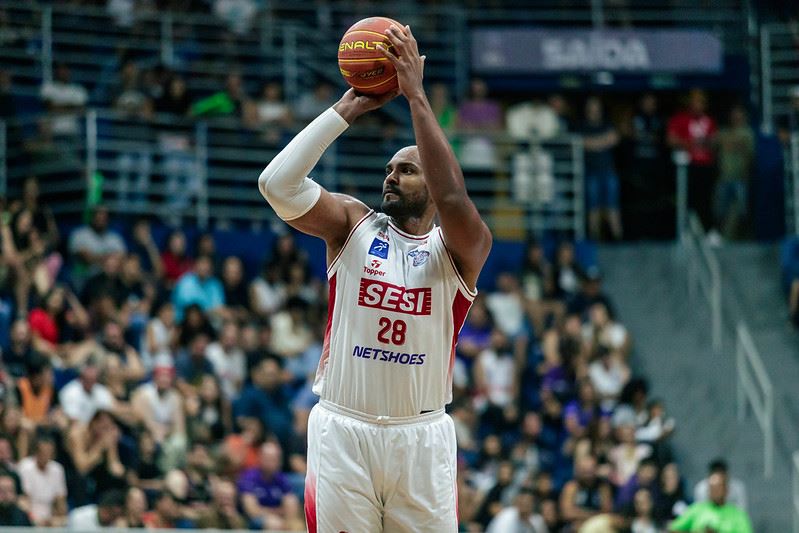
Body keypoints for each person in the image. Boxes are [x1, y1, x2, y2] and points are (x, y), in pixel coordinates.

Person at [257, 22, 491, 533]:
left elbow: (452, 199)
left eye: (406, 169)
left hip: (421, 439)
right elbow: (276, 184)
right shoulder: (352, 226)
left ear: (434, 175)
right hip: (344, 430)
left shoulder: (460, 248)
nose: (391, 175)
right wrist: (346, 111)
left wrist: (416, 98)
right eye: (388, 168)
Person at [670, 472, 752, 533]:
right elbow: (673, 529)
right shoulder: (697, 509)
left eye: (718, 488)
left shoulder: (738, 514)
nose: (714, 492)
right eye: (711, 489)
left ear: (726, 490)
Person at [17, 436, 67, 526]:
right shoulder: (25, 467)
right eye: (43, 453)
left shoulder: (57, 469)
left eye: (49, 453)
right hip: (30, 513)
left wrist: (59, 517)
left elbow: (60, 500)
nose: (46, 456)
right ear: (36, 452)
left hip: (50, 515)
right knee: (22, 505)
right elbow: (25, 498)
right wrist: (34, 519)